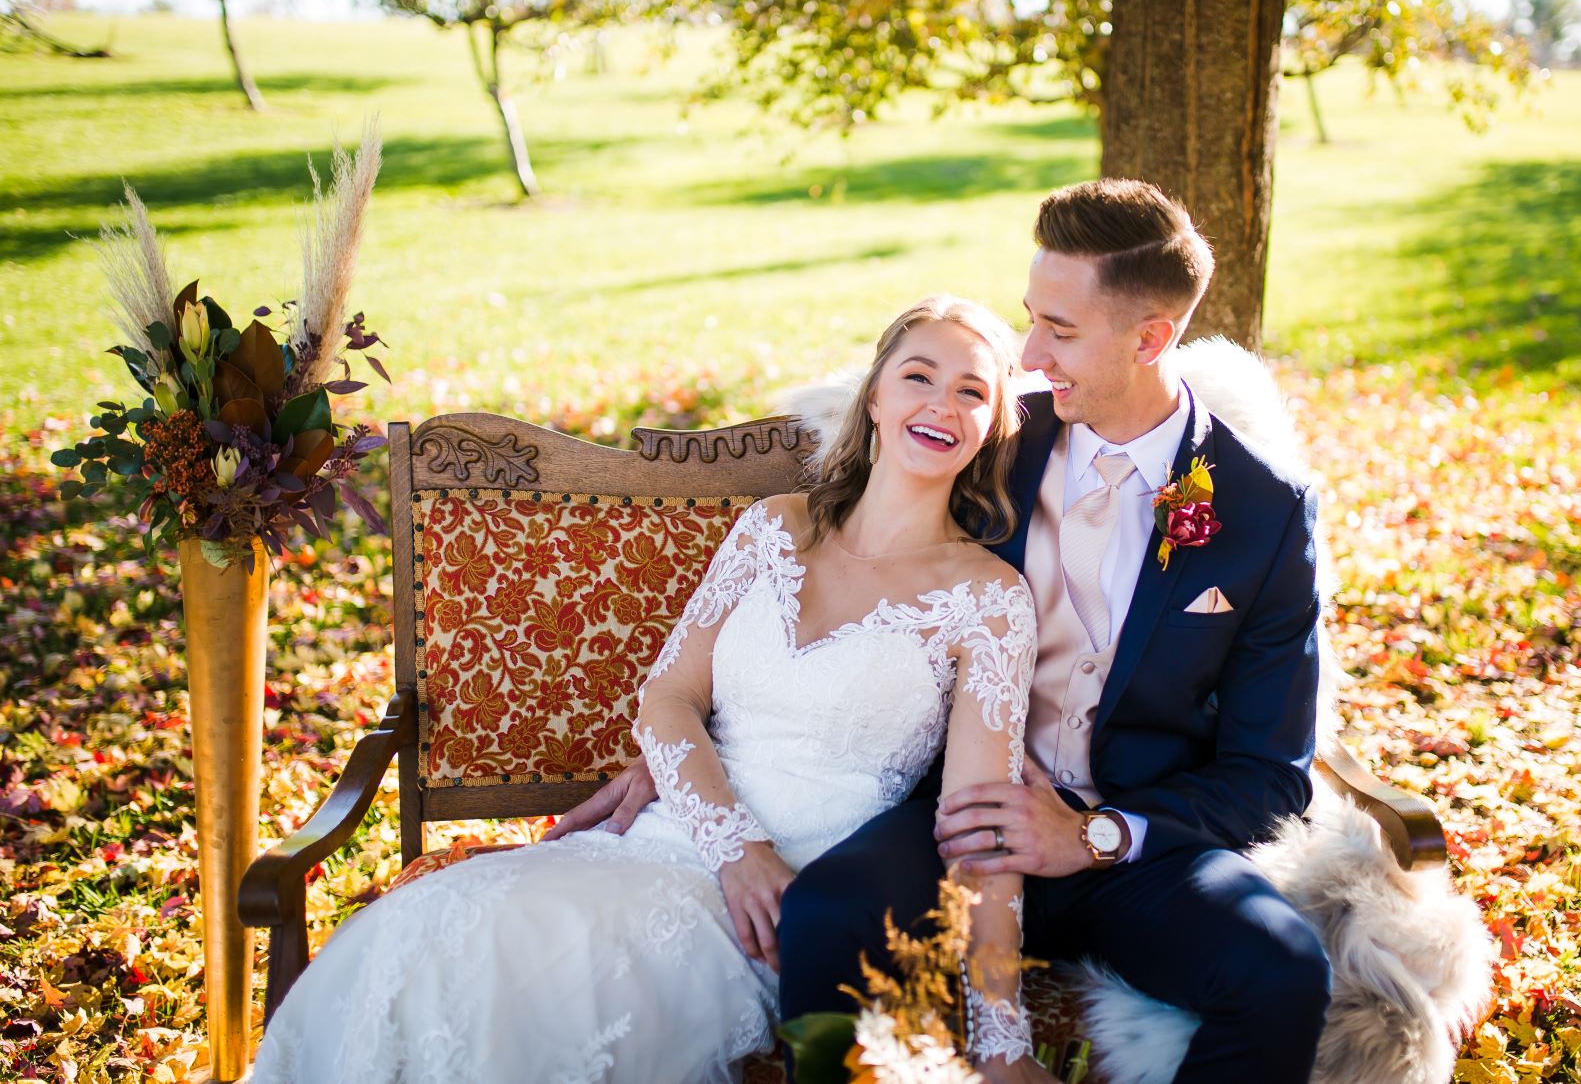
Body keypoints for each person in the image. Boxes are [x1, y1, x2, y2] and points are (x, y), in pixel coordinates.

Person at [569, 179, 1332, 1084]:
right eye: (1030, 319)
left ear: (1152, 337)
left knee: (1282, 971)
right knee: (822, 920)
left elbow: (1271, 774)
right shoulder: (987, 429)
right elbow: (855, 569)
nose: (1031, 354)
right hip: (943, 818)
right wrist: (705, 742)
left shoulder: (1262, 513)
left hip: (1136, 850)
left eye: (1059, 329)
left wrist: (1094, 836)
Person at [245, 295, 1043, 1084]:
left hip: (788, 905)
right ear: (874, 395)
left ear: (997, 425)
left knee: (562, 989)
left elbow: (985, 826)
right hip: (673, 838)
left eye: (972, 390)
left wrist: (1004, 1042)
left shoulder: (988, 600)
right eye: (918, 376)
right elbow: (667, 699)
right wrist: (735, 846)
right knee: (431, 934)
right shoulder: (774, 526)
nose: (941, 404)